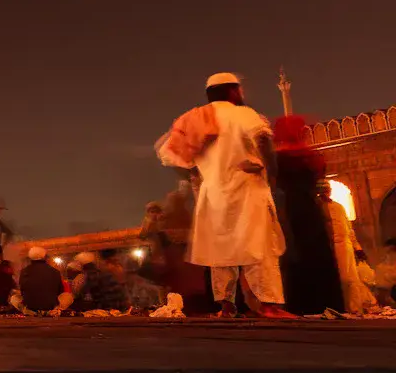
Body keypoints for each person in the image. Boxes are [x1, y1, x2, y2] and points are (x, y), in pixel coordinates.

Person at [157, 73, 294, 319]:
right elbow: (263, 139)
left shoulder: (194, 119)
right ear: (233, 91)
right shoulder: (242, 114)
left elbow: (168, 154)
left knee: (221, 253)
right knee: (259, 247)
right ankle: (269, 305)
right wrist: (272, 173)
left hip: (213, 195)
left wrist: (201, 173)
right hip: (247, 189)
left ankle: (226, 306)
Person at [270, 115, 345, 316]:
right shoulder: (311, 156)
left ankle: (300, 305)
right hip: (311, 211)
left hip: (287, 211)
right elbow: (320, 180)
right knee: (317, 254)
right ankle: (327, 303)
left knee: (295, 255)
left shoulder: (277, 159)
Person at [322, 183, 381, 314]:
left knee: (351, 278)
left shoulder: (338, 207)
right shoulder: (319, 208)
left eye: (327, 190)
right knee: (342, 279)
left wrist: (357, 247)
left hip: (345, 246)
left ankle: (355, 308)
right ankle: (346, 307)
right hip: (331, 247)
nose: (326, 193)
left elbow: (348, 229)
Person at [17, 247, 64, 314]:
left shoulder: (24, 271)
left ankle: (30, 312)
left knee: (14, 298)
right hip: (50, 306)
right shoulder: (55, 271)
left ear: (30, 257)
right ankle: (54, 311)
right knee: (68, 296)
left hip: (30, 307)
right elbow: (60, 291)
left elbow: (22, 290)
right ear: (44, 257)